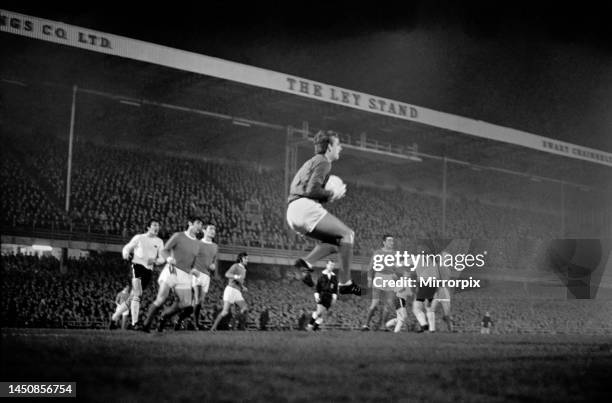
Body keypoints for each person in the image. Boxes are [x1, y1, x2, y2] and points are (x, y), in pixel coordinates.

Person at [286, 130, 361, 296]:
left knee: (337, 244)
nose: (340, 148)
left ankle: (305, 264)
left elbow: (308, 189)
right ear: (329, 148)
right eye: (338, 144)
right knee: (348, 234)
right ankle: (345, 283)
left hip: (293, 211)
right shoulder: (324, 162)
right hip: (304, 207)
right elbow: (313, 190)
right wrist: (331, 194)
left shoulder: (312, 161)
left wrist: (325, 195)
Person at [142, 216, 203, 333]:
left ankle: (165, 316)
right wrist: (169, 258)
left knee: (186, 305)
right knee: (161, 299)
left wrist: (194, 270)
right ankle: (146, 325)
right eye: (198, 223)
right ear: (190, 223)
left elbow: (193, 262)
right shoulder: (178, 236)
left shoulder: (197, 244)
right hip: (172, 269)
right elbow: (163, 250)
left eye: (201, 224)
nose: (200, 226)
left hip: (185, 274)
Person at [111, 219, 165, 329]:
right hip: (137, 266)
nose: (157, 227)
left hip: (148, 270)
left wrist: (155, 261)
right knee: (137, 295)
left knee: (133, 297)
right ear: (148, 227)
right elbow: (127, 247)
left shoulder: (159, 241)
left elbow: (162, 258)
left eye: (158, 225)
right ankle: (134, 323)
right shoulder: (139, 237)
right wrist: (125, 254)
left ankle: (114, 317)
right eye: (154, 225)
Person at [362, 235, 398, 331]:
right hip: (379, 277)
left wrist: (395, 277)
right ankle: (366, 325)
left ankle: (383, 326)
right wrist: (369, 279)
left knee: (389, 303)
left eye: (392, 241)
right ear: (384, 242)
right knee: (375, 303)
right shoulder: (377, 253)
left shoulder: (395, 254)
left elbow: (394, 269)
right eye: (389, 240)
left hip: (389, 279)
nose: (392, 242)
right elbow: (371, 267)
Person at [210, 252, 249, 331]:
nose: (247, 260)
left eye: (247, 258)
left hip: (237, 291)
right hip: (230, 290)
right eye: (246, 258)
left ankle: (237, 324)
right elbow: (227, 274)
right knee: (225, 312)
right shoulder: (235, 266)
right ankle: (213, 328)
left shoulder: (244, 270)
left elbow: (239, 281)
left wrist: (242, 286)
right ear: (241, 259)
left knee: (245, 308)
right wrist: (235, 276)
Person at [191, 224, 218, 330]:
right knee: (197, 299)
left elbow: (213, 262)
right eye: (211, 229)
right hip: (197, 273)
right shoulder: (197, 243)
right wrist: (192, 269)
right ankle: (196, 324)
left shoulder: (215, 246)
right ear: (204, 230)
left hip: (206, 276)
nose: (213, 231)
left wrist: (213, 266)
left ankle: (191, 321)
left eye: (214, 229)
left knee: (200, 301)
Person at [307, 260, 339, 331]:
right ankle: (309, 325)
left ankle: (313, 329)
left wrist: (334, 298)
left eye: (333, 265)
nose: (331, 267)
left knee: (322, 315)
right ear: (327, 265)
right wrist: (317, 296)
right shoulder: (321, 276)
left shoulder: (334, 277)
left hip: (329, 298)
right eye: (330, 265)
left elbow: (335, 289)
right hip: (322, 296)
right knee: (319, 312)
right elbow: (317, 288)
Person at [430, 251, 454, 332]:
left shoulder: (442, 267)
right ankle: (449, 329)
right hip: (443, 292)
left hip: (441, 291)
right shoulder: (445, 268)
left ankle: (448, 329)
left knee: (433, 310)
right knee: (443, 312)